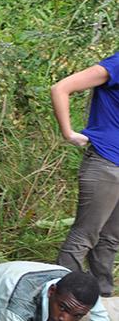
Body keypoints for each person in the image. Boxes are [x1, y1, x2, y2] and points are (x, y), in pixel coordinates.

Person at [52, 52, 119, 296]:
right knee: (85, 236)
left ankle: (102, 301)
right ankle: (60, 300)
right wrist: (68, 133)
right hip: (106, 163)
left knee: (110, 240)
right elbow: (61, 88)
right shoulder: (116, 65)